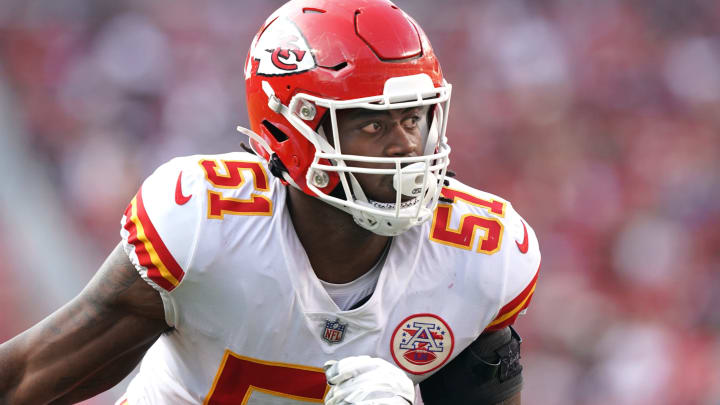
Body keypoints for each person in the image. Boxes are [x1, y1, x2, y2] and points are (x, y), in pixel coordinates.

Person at [0, 0, 540, 404]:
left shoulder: (479, 254)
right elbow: (31, 377)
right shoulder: (205, 225)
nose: (404, 146)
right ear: (289, 131)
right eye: (372, 123)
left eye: (413, 119)